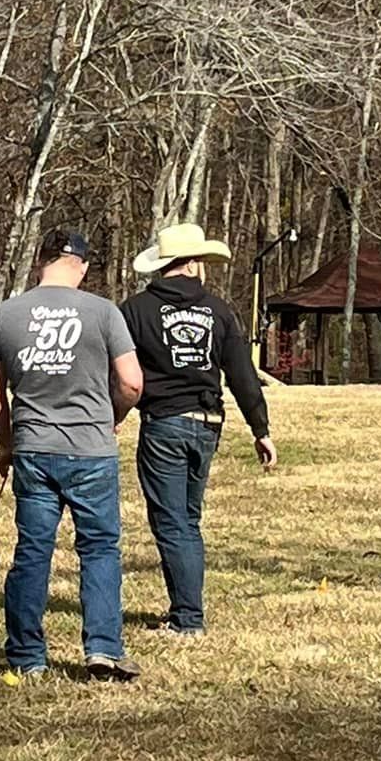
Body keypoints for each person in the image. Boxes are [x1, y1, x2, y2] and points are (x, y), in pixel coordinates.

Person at [0, 225, 144, 682]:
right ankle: (103, 649)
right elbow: (132, 382)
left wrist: (7, 443)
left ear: (41, 261)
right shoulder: (104, 312)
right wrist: (112, 416)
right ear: (84, 265)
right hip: (91, 450)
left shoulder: (5, 315)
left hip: (33, 448)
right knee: (99, 549)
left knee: (34, 551)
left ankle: (28, 656)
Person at [121, 222, 277, 641]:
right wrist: (260, 429)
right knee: (188, 520)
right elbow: (243, 374)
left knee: (173, 523)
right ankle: (186, 610)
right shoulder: (219, 310)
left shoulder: (135, 310)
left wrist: (111, 413)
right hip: (208, 424)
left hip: (164, 425)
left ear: (163, 265)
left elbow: (119, 371)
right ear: (192, 264)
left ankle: (187, 618)